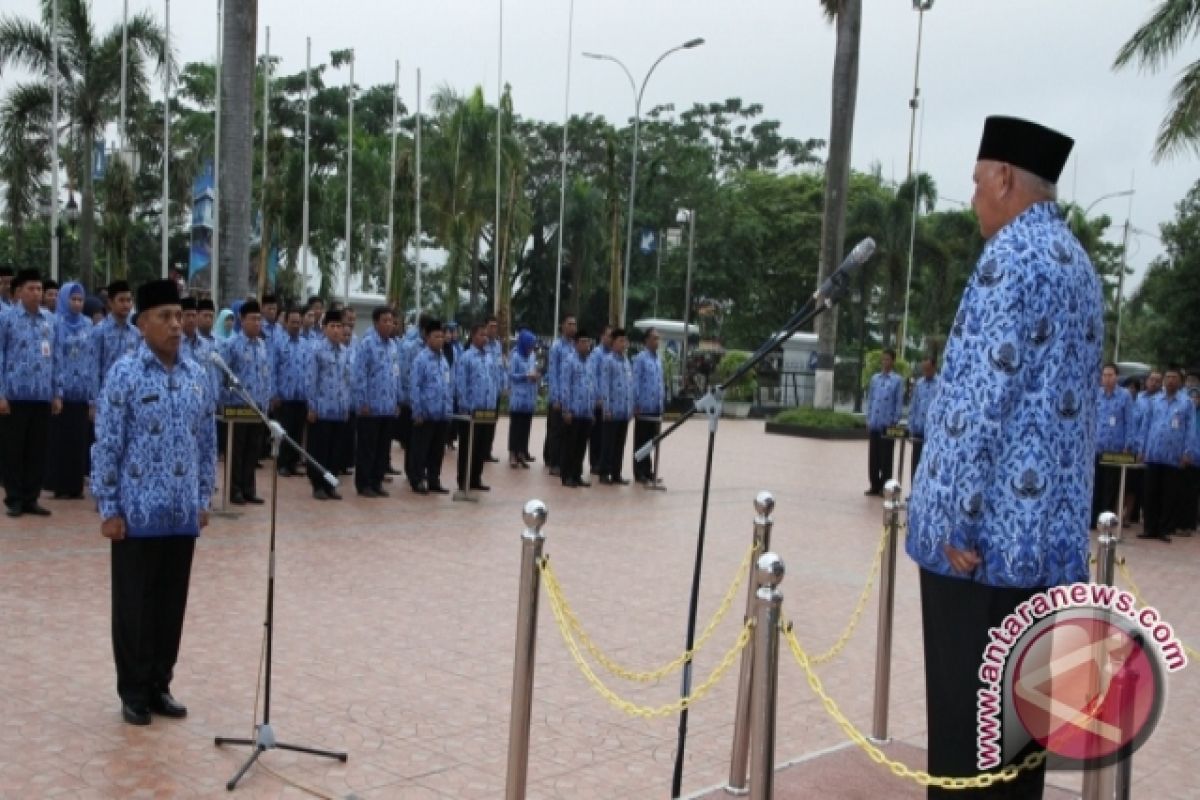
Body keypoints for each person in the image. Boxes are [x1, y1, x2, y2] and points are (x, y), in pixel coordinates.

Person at [904, 116, 1101, 798]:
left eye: (978, 182)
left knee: (965, 734)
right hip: (1044, 548)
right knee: (1019, 737)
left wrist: (958, 519)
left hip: (982, 553)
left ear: (1007, 179)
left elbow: (979, 399)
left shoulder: (1011, 258)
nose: (973, 198)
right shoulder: (1076, 262)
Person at [91, 279, 216, 726]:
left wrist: (204, 499)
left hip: (181, 513)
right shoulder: (124, 374)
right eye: (164, 317)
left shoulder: (198, 375)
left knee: (170, 603)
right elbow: (107, 444)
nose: (176, 325)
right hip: (136, 514)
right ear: (142, 323)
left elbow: (206, 444)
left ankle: (161, 682)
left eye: (179, 316)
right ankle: (134, 689)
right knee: (134, 606)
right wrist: (108, 508)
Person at [0, 269, 60, 517]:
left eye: (39, 289)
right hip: (14, 395)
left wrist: (57, 392)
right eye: (31, 289)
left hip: (42, 395)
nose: (37, 294)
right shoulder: (7, 319)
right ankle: (14, 498)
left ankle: (31, 498)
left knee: (38, 450)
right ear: (18, 292)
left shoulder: (50, 320)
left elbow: (57, 358)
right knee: (13, 450)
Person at [46, 282, 97, 500]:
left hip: (82, 391)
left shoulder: (88, 325)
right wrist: (56, 389)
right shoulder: (56, 324)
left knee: (79, 440)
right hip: (62, 392)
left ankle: (76, 485)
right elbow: (54, 357)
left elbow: (92, 359)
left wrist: (92, 395)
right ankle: (59, 484)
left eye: (80, 300)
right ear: (64, 300)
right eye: (73, 299)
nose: (77, 304)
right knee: (60, 440)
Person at [220, 300, 273, 504]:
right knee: (237, 451)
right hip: (237, 406)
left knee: (253, 450)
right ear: (242, 320)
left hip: (257, 406)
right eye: (253, 319)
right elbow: (223, 375)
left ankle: (249, 488)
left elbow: (266, 375)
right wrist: (225, 403)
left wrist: (265, 404)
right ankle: (235, 490)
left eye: (259, 319)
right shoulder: (232, 345)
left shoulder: (261, 345)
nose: (257, 323)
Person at [1138, 366, 1193, 542]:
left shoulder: (1186, 403)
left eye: (1174, 377)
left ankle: (1164, 528)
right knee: (1150, 492)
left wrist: (1187, 452)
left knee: (1169, 494)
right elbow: (1145, 425)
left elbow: (1191, 430)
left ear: (1179, 381)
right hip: (1153, 453)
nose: (1170, 380)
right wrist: (1141, 448)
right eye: (1168, 377)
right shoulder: (1154, 401)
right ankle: (1149, 528)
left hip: (1173, 456)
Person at [352, 307, 400, 497]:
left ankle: (377, 481)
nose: (389, 324)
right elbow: (359, 375)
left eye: (391, 321)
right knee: (367, 448)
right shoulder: (367, 344)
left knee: (382, 448)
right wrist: (362, 401)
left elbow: (395, 374)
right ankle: (364, 484)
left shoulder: (394, 346)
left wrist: (397, 400)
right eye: (385, 321)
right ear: (376, 323)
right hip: (370, 407)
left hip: (388, 406)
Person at [304, 310, 350, 500]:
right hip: (321, 410)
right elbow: (310, 380)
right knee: (319, 449)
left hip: (339, 410)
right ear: (324, 328)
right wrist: (312, 406)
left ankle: (331, 484)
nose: (336, 330)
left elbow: (348, 380)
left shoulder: (345, 352)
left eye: (339, 326)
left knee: (336, 450)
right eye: (332, 326)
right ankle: (318, 485)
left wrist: (347, 406)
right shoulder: (316, 350)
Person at [408, 319, 452, 494]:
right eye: (436, 336)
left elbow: (448, 385)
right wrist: (417, 410)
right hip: (425, 414)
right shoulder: (421, 359)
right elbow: (415, 386)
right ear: (428, 338)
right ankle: (417, 479)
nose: (440, 340)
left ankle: (434, 479)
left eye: (442, 336)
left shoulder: (444, 361)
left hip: (441, 413)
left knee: (437, 451)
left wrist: (448, 408)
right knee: (420, 449)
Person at [1092, 362, 1135, 526]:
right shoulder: (1097, 394)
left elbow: (1129, 422)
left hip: (1115, 448)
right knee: (1096, 484)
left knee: (1110, 487)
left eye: (1110, 375)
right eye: (1105, 375)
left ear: (1116, 377)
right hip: (1097, 447)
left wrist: (1128, 444)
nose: (1107, 378)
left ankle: (1106, 520)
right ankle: (1092, 518)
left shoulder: (1124, 396)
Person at [454, 323, 497, 491]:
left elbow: (493, 380)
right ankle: (464, 480)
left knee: (481, 446)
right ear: (473, 336)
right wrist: (464, 405)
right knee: (468, 447)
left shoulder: (489, 357)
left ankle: (476, 478)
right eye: (481, 335)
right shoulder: (466, 358)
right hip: (471, 409)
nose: (485, 338)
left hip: (487, 409)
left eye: (486, 335)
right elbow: (461, 384)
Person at [271, 307, 309, 477]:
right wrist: (274, 394)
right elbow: (272, 370)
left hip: (300, 397)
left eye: (298, 323)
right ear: (285, 323)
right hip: (283, 397)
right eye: (292, 322)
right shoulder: (278, 344)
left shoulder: (305, 344)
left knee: (297, 432)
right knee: (284, 432)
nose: (296, 326)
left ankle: (293, 463)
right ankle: (283, 464)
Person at [864, 348, 903, 496]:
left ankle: (885, 486)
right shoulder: (875, 378)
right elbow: (871, 399)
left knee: (886, 458)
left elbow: (898, 402)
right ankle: (874, 485)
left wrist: (895, 419)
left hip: (888, 424)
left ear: (892, 361)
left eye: (888, 359)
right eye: (883, 359)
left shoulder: (897, 380)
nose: (885, 362)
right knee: (874, 457)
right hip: (875, 421)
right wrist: (868, 418)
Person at [560, 330, 595, 488]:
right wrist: (566, 409)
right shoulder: (569, 361)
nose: (585, 345)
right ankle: (567, 475)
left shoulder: (590, 362)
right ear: (575, 344)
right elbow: (565, 386)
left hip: (586, 411)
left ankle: (577, 474)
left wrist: (592, 409)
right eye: (582, 342)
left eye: (587, 342)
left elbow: (592, 386)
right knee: (570, 446)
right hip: (573, 411)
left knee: (581, 446)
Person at [599, 328, 633, 485]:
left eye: (625, 340)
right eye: (620, 340)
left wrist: (630, 406)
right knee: (608, 443)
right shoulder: (608, 360)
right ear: (613, 343)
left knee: (620, 443)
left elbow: (629, 385)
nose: (624, 344)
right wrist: (606, 407)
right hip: (611, 410)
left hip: (624, 410)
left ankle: (616, 472)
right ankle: (604, 472)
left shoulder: (626, 361)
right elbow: (604, 385)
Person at [632, 327, 665, 485]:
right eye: (653, 338)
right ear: (646, 340)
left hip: (655, 407)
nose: (656, 341)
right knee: (641, 440)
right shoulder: (640, 358)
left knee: (652, 441)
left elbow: (660, 383)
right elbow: (636, 382)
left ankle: (648, 470)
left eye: (658, 338)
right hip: (644, 407)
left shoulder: (658, 359)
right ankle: (639, 472)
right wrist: (636, 403)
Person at [93, 280, 141, 389]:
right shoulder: (99, 331)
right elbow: (93, 369)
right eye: (121, 300)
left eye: (129, 300)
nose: (126, 305)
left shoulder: (136, 333)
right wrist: (94, 401)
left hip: (130, 392)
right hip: (106, 394)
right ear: (110, 302)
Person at [544, 315, 576, 475]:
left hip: (572, 400)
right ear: (562, 326)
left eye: (574, 324)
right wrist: (555, 398)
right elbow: (553, 373)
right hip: (558, 398)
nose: (573, 327)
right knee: (556, 432)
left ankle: (565, 463)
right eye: (569, 324)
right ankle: (554, 463)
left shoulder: (575, 347)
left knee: (568, 433)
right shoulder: (557, 347)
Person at [508, 329, 539, 468]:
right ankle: (513, 454)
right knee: (516, 427)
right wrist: (526, 376)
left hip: (529, 397)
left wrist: (536, 376)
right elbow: (511, 375)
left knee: (526, 427)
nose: (531, 347)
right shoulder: (515, 356)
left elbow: (534, 369)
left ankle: (522, 453)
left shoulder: (532, 355)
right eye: (529, 344)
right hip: (518, 398)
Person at [907, 357, 938, 482]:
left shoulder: (940, 384)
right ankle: (913, 490)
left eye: (928, 369)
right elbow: (913, 405)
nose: (926, 371)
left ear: (934, 368)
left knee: (929, 462)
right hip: (918, 429)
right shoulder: (919, 384)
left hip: (932, 431)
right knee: (915, 462)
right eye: (924, 369)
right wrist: (911, 425)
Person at [587, 325, 612, 475]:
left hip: (609, 403)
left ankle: (604, 462)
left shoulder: (612, 355)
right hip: (598, 402)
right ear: (602, 337)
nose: (611, 339)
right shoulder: (596, 354)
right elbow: (593, 377)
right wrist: (597, 397)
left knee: (605, 435)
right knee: (596, 435)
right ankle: (594, 463)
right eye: (608, 335)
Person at [483, 315, 506, 463]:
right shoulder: (482, 344)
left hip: (495, 392)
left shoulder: (497, 345)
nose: (493, 329)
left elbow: (501, 367)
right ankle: (480, 450)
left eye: (495, 327)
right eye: (491, 326)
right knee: (482, 422)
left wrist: (503, 385)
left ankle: (487, 450)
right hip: (483, 392)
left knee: (492, 422)